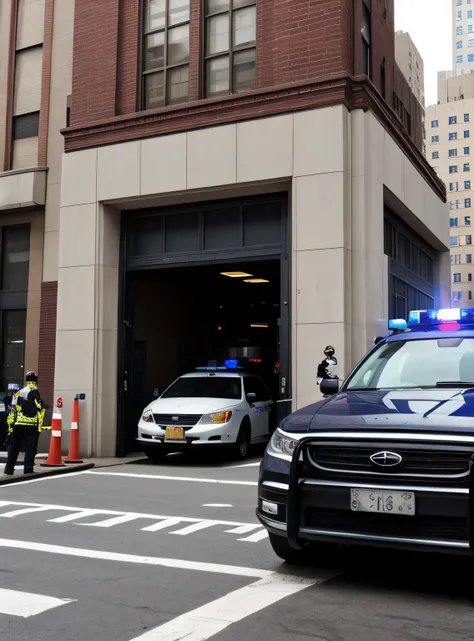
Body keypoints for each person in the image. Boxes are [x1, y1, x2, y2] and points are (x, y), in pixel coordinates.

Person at [4, 371, 45, 476]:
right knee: (30, 448)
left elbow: (12, 410)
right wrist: (39, 426)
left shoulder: (19, 392)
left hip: (18, 424)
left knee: (14, 447)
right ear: (36, 381)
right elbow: (39, 409)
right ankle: (28, 468)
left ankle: (9, 468)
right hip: (31, 425)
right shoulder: (35, 391)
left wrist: (10, 427)